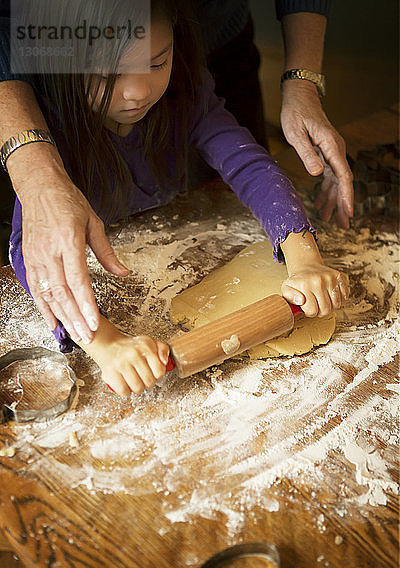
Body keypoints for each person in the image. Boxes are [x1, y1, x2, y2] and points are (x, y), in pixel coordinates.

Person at [7, 0, 349, 395]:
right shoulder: (47, 139)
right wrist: (105, 343)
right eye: (109, 73)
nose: (137, 91)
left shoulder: (188, 93)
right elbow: (30, 252)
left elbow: (250, 165)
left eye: (157, 63)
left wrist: (305, 260)